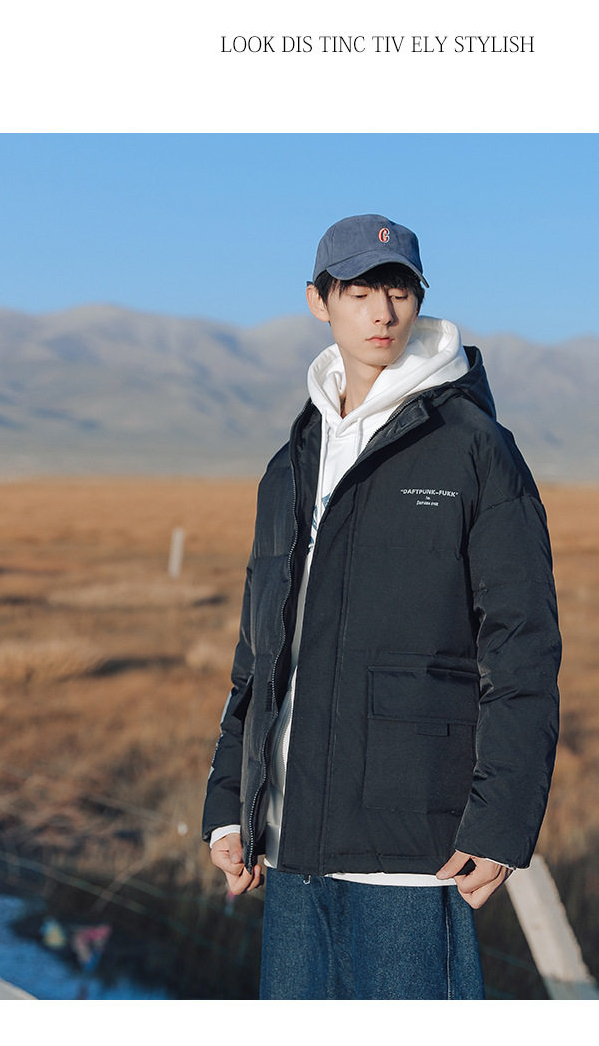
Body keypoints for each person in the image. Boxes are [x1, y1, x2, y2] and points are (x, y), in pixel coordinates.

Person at [202, 214, 561, 1000]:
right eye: (359, 291)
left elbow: (523, 644)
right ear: (318, 300)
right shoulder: (289, 464)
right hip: (289, 847)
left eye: (398, 290)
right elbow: (258, 655)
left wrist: (501, 822)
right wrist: (231, 805)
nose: (382, 311)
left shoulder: (474, 447)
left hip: (410, 854)